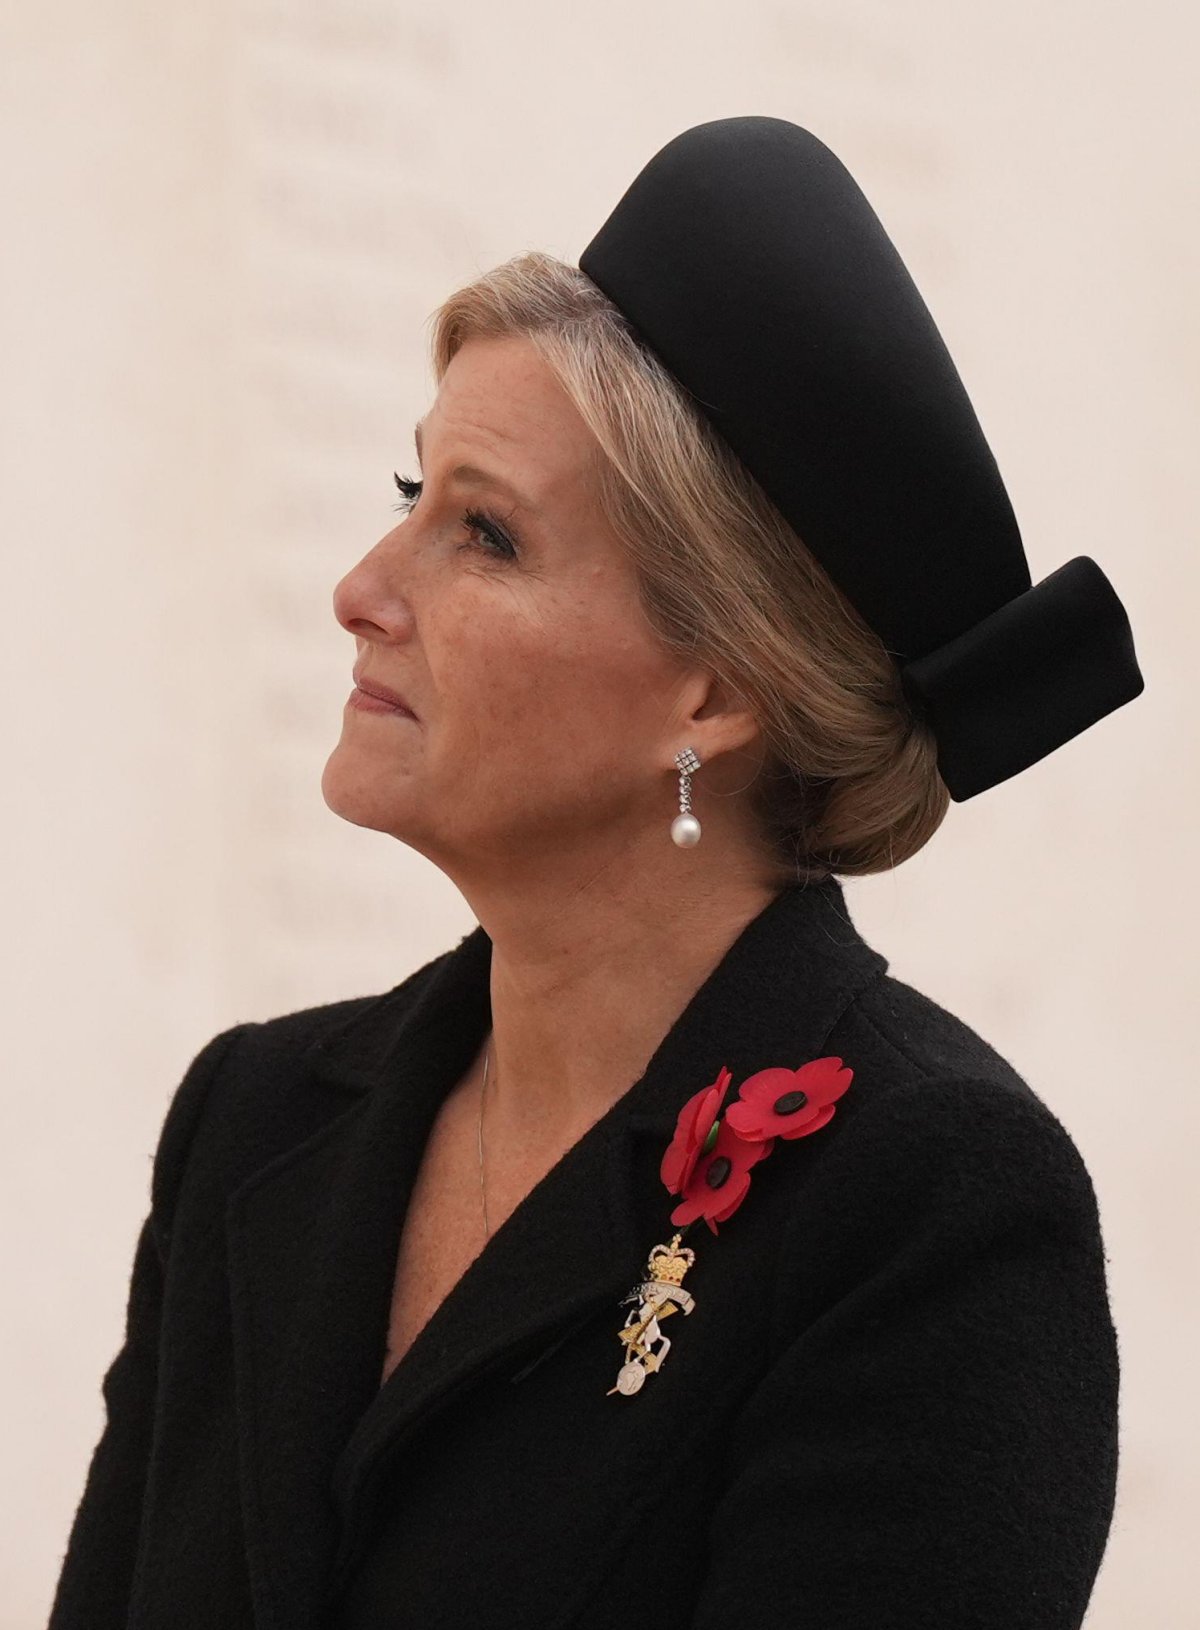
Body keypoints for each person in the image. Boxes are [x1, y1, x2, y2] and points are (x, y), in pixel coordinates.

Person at [48, 117, 1143, 1630]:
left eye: (484, 534)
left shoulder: (925, 1201)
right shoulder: (252, 1120)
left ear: (713, 691)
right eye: (408, 492)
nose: (362, 590)